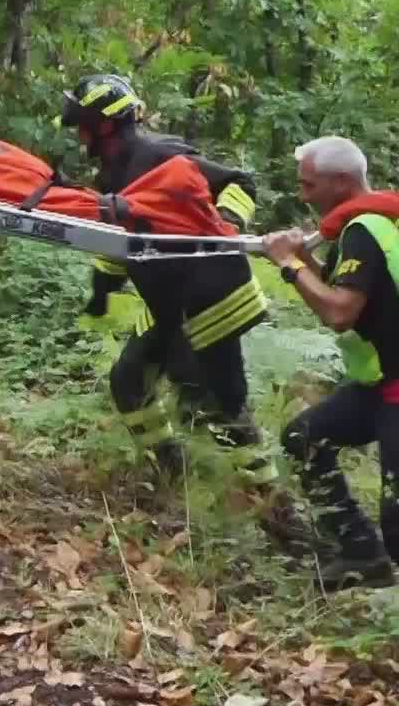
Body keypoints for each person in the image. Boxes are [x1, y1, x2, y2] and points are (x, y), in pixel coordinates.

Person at [262, 135, 399, 623]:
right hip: (384, 384)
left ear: (341, 182)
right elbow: (348, 296)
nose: (303, 195)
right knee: (305, 437)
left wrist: (289, 265)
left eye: (309, 185)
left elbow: (339, 312)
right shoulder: (375, 224)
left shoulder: (365, 229)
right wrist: (301, 259)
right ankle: (359, 549)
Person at [62, 74, 279, 501]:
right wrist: (103, 286)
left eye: (84, 123)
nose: (79, 133)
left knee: (216, 407)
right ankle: (170, 467)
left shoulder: (158, 155)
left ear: (105, 124)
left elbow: (239, 182)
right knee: (129, 381)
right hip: (169, 305)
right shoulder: (111, 174)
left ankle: (269, 498)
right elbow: (124, 236)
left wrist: (226, 225)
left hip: (214, 300)